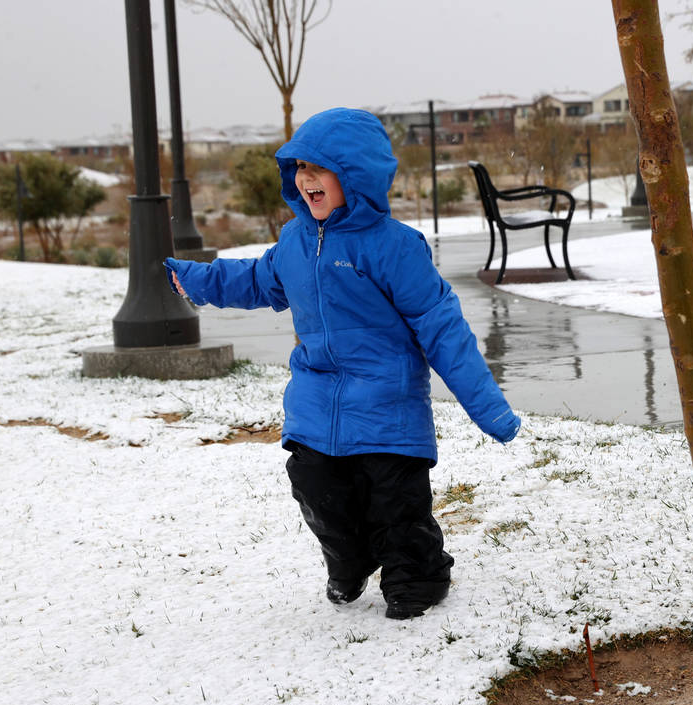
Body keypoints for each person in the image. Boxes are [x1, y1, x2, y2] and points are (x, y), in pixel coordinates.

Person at [164, 108, 520, 620]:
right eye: (300, 167)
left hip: (385, 401)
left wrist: (489, 411)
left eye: (320, 168)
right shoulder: (295, 240)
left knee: (396, 504)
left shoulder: (395, 247)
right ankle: (349, 561)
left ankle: (417, 576)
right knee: (316, 488)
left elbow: (443, 329)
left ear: (356, 174)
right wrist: (199, 279)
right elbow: (255, 281)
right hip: (316, 397)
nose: (306, 178)